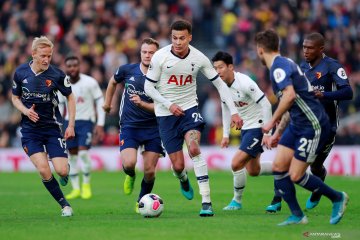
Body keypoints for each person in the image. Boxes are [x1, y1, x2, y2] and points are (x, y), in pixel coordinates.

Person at [144, 19, 243, 217]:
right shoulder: (160, 57)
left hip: (189, 109)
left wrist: (234, 111)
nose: (178, 42)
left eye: (182, 38)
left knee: (195, 148)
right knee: (178, 165)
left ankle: (206, 201)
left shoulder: (199, 58)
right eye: (174, 38)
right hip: (166, 114)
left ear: (190, 37)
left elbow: (221, 85)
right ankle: (182, 179)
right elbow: (148, 87)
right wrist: (168, 104)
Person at [255, 29, 349, 225]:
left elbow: (289, 97)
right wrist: (277, 133)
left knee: (297, 174)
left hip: (312, 124)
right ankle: (297, 215)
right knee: (279, 167)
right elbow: (291, 105)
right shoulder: (288, 64)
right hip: (297, 123)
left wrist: (271, 123)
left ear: (260, 50)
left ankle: (337, 197)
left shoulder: (279, 69)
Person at [11, 36, 75, 217]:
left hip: (52, 128)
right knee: (43, 169)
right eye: (43, 56)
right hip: (30, 131)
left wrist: (70, 124)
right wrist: (25, 110)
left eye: (49, 55)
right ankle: (65, 205)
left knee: (61, 170)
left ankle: (66, 172)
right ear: (33, 54)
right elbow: (15, 98)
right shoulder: (21, 73)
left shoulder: (57, 75)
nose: (47, 59)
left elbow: (70, 97)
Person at [103, 38, 164, 213]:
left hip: (153, 127)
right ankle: (130, 175)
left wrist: (142, 104)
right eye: (144, 52)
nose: (147, 55)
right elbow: (113, 82)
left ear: (157, 55)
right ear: (140, 53)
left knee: (150, 171)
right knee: (129, 163)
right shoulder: (127, 70)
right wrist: (108, 103)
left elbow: (162, 106)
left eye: (151, 52)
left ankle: (140, 202)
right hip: (130, 126)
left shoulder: (162, 77)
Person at [211, 51, 273, 210]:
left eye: (220, 67)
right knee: (253, 170)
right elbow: (226, 109)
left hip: (258, 127)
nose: (217, 71)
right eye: (215, 68)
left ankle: (236, 201)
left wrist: (267, 133)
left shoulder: (245, 82)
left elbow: (266, 104)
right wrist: (225, 135)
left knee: (236, 163)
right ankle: (283, 167)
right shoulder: (222, 86)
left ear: (230, 67)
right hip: (246, 128)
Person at [58, 56, 105, 200]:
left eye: (75, 66)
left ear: (80, 66)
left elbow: (100, 102)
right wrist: (59, 125)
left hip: (86, 122)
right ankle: (76, 189)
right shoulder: (63, 84)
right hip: (68, 122)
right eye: (69, 66)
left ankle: (86, 185)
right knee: (71, 156)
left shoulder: (90, 82)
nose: (72, 69)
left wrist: (100, 124)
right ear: (66, 68)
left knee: (83, 153)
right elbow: (60, 105)